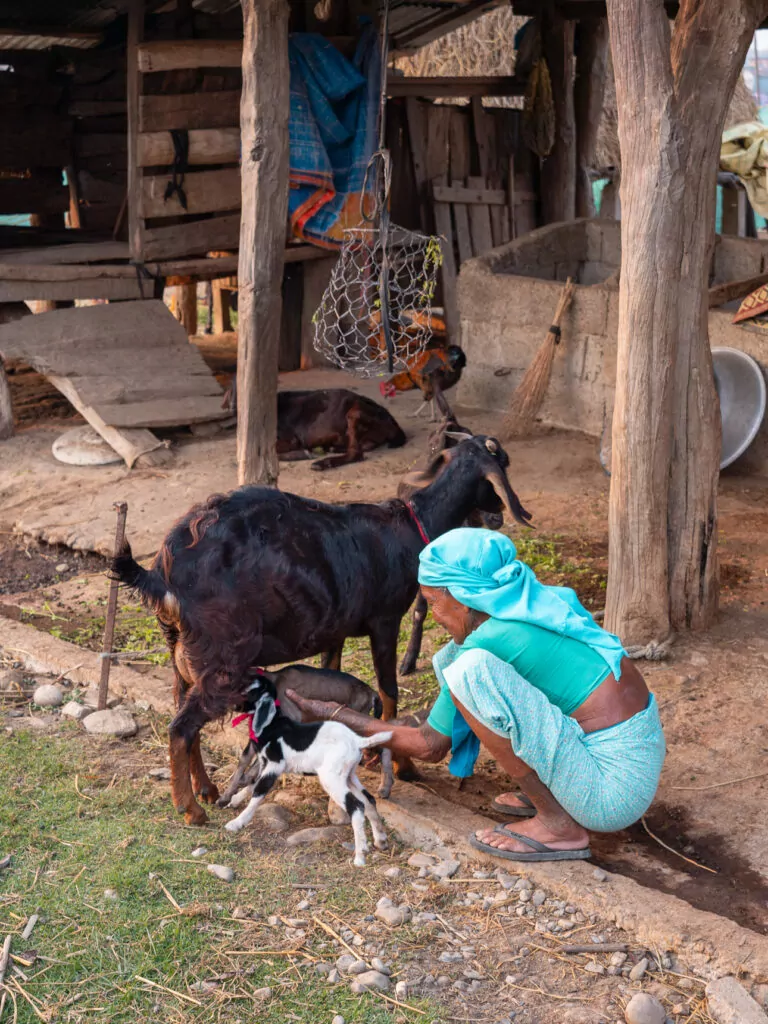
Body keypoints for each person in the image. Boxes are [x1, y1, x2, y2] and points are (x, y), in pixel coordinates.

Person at [288, 528, 666, 862]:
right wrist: (385, 728)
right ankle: (558, 793)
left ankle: (558, 825)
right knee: (466, 667)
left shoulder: (486, 646)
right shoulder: (534, 605)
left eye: (433, 601)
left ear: (464, 598)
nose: (432, 614)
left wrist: (336, 714)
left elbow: (431, 744)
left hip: (611, 792)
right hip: (632, 757)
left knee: (469, 674)